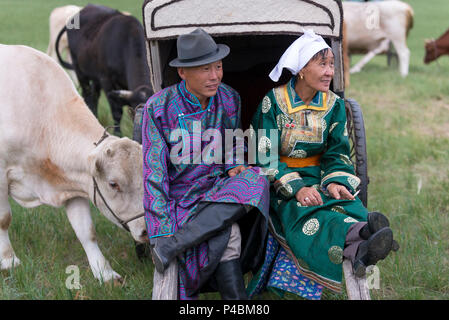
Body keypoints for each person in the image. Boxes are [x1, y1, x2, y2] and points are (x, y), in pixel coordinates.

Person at [247, 30, 398, 298]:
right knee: (313, 213)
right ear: (302, 70)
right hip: (282, 182)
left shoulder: (334, 105)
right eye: (322, 64)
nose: (330, 72)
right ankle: (363, 237)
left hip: (321, 176)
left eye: (331, 64)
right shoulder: (273, 103)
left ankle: (360, 239)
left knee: (349, 204)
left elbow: (338, 152)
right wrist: (299, 189)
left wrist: (337, 181)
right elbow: (264, 157)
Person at [142, 28, 270, 300]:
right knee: (227, 234)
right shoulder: (158, 108)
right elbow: (154, 174)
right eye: (204, 70)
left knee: (258, 177)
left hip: (216, 192)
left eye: (218, 67)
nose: (214, 76)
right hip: (180, 200)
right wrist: (161, 230)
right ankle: (170, 243)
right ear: (182, 73)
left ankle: (176, 245)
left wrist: (234, 164)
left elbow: (234, 143)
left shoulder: (229, 98)